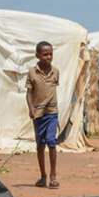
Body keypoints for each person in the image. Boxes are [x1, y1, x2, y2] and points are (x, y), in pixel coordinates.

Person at [26, 40, 61, 188]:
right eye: (45, 54)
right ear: (37, 55)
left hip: (52, 113)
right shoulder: (32, 72)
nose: (48, 57)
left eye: (50, 54)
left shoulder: (56, 71)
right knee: (40, 145)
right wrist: (31, 109)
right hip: (38, 115)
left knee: (51, 142)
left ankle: (53, 176)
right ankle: (43, 176)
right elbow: (29, 93)